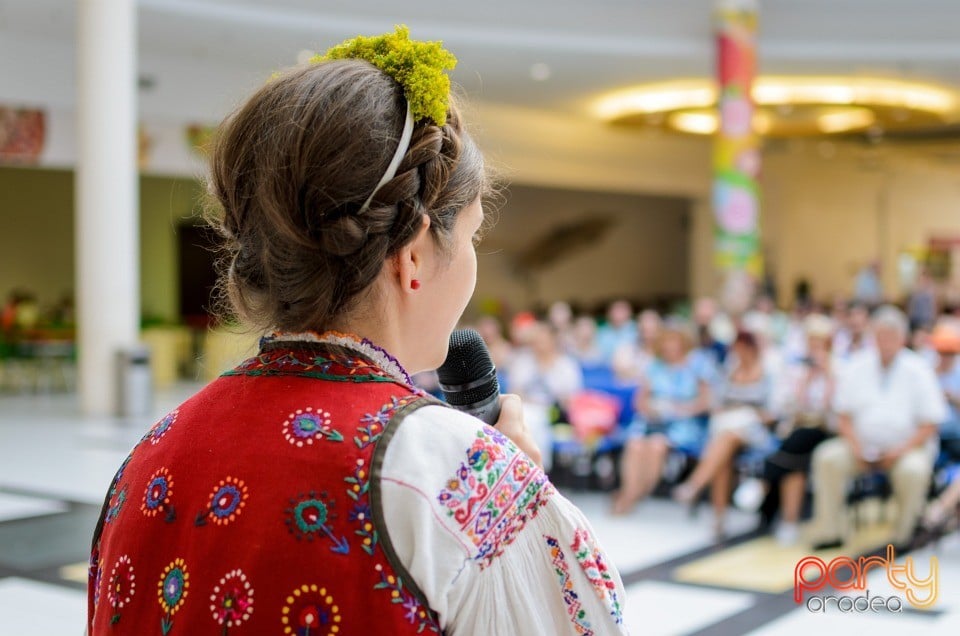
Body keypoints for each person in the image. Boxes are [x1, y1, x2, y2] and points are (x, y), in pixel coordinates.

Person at [87, 28, 626, 636]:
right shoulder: (454, 470)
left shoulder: (151, 451)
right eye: (472, 235)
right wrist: (506, 496)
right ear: (414, 255)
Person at [810, 306, 947, 550]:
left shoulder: (919, 369)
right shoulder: (857, 365)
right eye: (880, 336)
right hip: (861, 446)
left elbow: (931, 423)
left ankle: (903, 536)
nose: (885, 343)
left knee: (913, 471)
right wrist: (856, 447)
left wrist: (899, 451)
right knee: (827, 457)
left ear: (902, 338)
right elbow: (843, 415)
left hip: (906, 448)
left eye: (891, 337)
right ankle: (831, 531)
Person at [672, 330, 777, 539]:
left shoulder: (768, 373)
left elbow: (773, 412)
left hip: (755, 432)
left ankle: (694, 486)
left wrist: (748, 412)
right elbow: (716, 403)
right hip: (727, 430)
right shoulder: (730, 371)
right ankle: (718, 518)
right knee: (724, 456)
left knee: (727, 439)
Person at [612, 320, 710, 515]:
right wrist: (652, 409)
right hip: (653, 420)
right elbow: (640, 401)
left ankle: (634, 495)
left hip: (683, 422)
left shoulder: (696, 364)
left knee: (657, 445)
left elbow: (706, 401)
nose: (670, 346)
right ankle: (629, 491)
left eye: (674, 340)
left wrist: (681, 409)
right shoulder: (654, 366)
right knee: (635, 444)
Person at [758, 314, 837, 545]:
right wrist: (807, 381)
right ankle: (786, 520)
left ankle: (764, 485)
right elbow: (789, 405)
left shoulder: (839, 367)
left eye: (818, 343)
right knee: (794, 459)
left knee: (793, 447)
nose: (814, 348)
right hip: (798, 428)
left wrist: (828, 375)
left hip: (825, 429)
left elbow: (833, 410)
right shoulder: (798, 368)